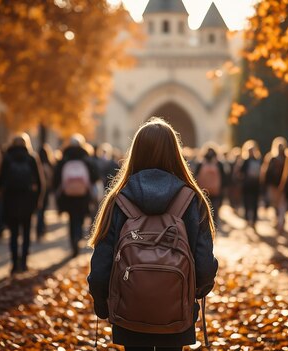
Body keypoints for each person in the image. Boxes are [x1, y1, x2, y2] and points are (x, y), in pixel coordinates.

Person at [87, 117, 218, 350]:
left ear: (135, 153)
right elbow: (205, 265)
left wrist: (102, 303)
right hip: (177, 314)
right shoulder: (192, 200)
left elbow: (101, 266)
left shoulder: (118, 200)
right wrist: (193, 295)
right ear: (175, 153)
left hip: (129, 313)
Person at [0, 134, 45, 274]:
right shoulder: (31, 158)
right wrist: (38, 200)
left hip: (11, 201)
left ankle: (14, 264)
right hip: (28, 201)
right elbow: (40, 182)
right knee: (26, 233)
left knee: (13, 234)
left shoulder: (7, 158)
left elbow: (0, 181)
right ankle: (24, 263)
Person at [53, 134, 98, 257]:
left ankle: (73, 239)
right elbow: (95, 175)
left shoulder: (65, 157)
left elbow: (57, 176)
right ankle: (78, 236)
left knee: (72, 218)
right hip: (83, 194)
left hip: (68, 195)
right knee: (80, 216)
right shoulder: (85, 156)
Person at [194, 142, 226, 228]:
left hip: (203, 192)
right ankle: (213, 226)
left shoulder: (200, 163)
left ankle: (205, 227)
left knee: (203, 211)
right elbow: (224, 177)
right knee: (214, 210)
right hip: (216, 192)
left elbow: (194, 177)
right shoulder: (219, 164)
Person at [261, 137, 288, 233]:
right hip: (282, 185)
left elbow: (266, 173)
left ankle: (279, 220)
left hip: (274, 185)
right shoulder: (287, 158)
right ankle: (281, 220)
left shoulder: (272, 158)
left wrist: (265, 184)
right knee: (281, 204)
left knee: (276, 204)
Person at [238, 140, 263, 228]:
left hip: (247, 185)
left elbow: (240, 173)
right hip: (255, 184)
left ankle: (248, 219)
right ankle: (254, 220)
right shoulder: (258, 160)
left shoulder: (245, 161)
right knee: (254, 203)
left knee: (247, 202)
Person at [36, 144, 55, 240]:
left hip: (37, 190)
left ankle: (39, 228)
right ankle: (41, 227)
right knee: (43, 210)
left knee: (39, 210)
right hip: (46, 190)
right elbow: (51, 179)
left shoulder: (37, 164)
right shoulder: (49, 165)